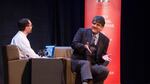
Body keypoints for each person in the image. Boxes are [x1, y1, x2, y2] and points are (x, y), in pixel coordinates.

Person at [71, 16, 111, 84]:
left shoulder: (105, 40)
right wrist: (83, 46)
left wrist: (104, 58)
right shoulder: (82, 31)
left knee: (105, 70)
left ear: (102, 28)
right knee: (86, 63)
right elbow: (73, 44)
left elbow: (102, 55)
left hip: (92, 65)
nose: (95, 26)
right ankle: (85, 82)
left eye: (98, 25)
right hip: (78, 62)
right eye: (94, 23)